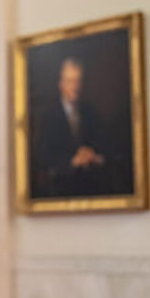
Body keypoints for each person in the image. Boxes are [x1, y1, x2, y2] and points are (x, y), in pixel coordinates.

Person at [31, 57, 114, 197]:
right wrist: (72, 161)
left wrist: (92, 154)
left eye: (77, 81)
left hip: (93, 189)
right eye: (70, 81)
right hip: (60, 190)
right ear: (60, 84)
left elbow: (107, 147)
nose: (75, 87)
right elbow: (41, 157)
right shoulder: (48, 116)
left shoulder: (90, 112)